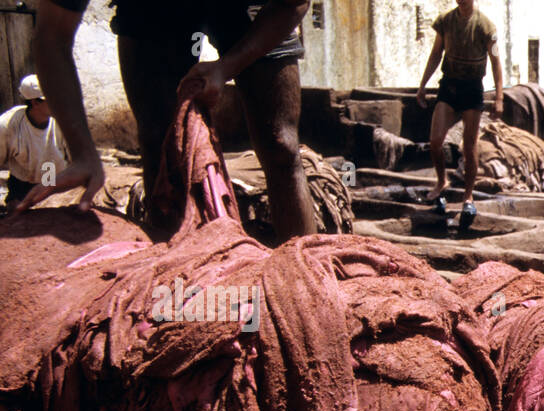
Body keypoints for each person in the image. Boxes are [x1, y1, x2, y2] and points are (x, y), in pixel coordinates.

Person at [20, 0, 314, 242]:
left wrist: (227, 67)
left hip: (251, 5)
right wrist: (83, 153)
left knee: (280, 145)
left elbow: (294, 5)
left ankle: (306, 277)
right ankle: (169, 280)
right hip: (155, 9)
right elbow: (50, 37)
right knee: (159, 144)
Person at [417, 0, 504, 230]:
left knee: (469, 146)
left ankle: (468, 197)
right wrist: (423, 84)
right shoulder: (446, 21)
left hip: (472, 88)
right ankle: (441, 180)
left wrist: (499, 97)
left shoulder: (486, 26)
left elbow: (496, 62)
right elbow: (436, 53)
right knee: (435, 140)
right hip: (449, 86)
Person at [0, 75, 68, 212]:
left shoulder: (64, 121)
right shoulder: (8, 125)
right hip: (22, 185)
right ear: (35, 103)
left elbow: (77, 161)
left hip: (56, 184)